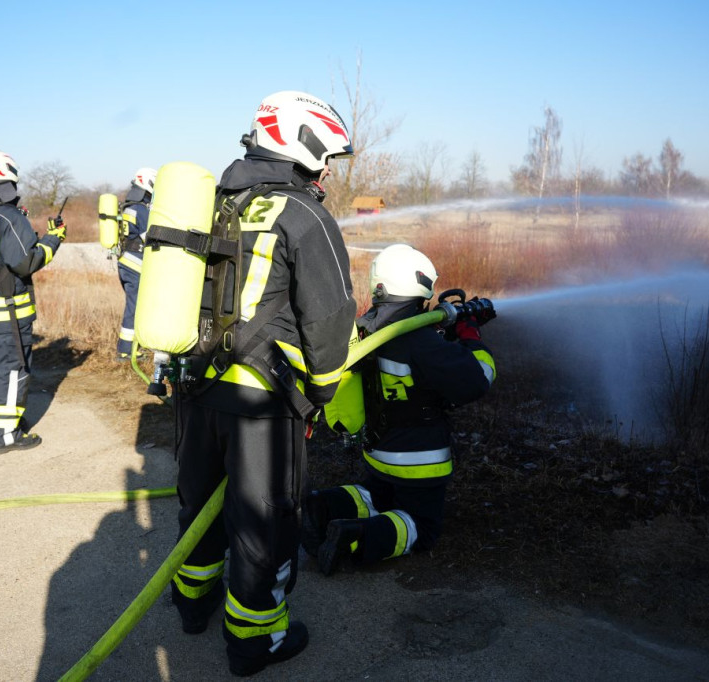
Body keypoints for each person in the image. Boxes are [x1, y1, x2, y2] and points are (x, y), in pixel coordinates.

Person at [170, 91, 357, 677]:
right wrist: (323, 393)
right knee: (264, 521)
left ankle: (191, 603)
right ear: (297, 146)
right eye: (325, 156)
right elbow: (329, 318)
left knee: (198, 499)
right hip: (262, 399)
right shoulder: (304, 215)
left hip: (196, 387)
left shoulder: (214, 202)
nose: (327, 169)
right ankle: (255, 641)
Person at [302, 244, 497, 576]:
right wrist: (470, 335)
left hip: (377, 454)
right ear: (419, 285)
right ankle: (355, 538)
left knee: (376, 498)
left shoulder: (364, 331)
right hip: (422, 463)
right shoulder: (422, 342)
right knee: (421, 525)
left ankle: (321, 507)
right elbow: (477, 380)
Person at [0, 148, 65, 455]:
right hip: (8, 314)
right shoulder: (7, 216)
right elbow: (26, 262)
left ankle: (3, 426)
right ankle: (6, 436)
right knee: (12, 372)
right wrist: (53, 240)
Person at [115, 167, 156, 361]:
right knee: (135, 307)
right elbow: (150, 237)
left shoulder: (128, 207)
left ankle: (133, 348)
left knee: (134, 306)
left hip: (125, 262)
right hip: (136, 264)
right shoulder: (141, 210)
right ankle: (126, 351)